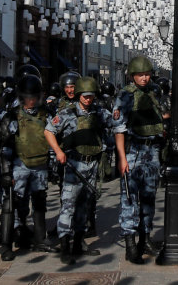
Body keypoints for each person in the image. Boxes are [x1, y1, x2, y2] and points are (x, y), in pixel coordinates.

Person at [44, 77, 109, 265]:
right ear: (80, 96)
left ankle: (78, 244)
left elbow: (116, 124)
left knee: (85, 205)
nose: (88, 100)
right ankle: (65, 247)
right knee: (68, 205)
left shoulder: (99, 113)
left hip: (92, 164)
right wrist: (58, 151)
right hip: (74, 164)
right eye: (85, 96)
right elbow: (49, 131)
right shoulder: (67, 113)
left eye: (91, 97)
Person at [113, 56, 165, 264]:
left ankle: (145, 238)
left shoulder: (154, 92)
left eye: (147, 74)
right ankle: (130, 244)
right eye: (140, 75)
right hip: (133, 150)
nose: (144, 78)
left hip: (152, 151)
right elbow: (119, 128)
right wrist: (122, 158)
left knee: (149, 197)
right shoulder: (125, 96)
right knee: (129, 198)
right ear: (132, 76)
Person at [0, 74, 53, 260]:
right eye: (27, 98)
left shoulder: (46, 114)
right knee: (12, 203)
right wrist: (6, 171)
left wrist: (53, 164)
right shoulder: (12, 116)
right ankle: (7, 243)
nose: (31, 102)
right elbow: (5, 145)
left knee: (39, 202)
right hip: (19, 165)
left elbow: (54, 139)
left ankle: (39, 239)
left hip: (40, 165)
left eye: (33, 97)